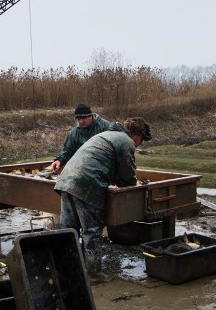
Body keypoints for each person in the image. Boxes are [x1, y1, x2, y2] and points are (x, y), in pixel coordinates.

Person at [54, 117, 152, 284]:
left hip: (66, 181)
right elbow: (127, 175)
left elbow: (102, 162)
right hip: (86, 184)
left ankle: (66, 269)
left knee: (68, 230)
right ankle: (93, 274)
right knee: (91, 231)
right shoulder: (126, 141)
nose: (140, 144)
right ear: (136, 134)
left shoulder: (106, 134)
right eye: (141, 139)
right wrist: (130, 183)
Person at [49, 104, 111, 173]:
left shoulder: (105, 127)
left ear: (91, 116)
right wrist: (59, 160)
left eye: (83, 118)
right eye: (79, 119)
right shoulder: (74, 133)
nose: (81, 121)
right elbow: (67, 150)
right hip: (83, 168)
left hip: (104, 166)